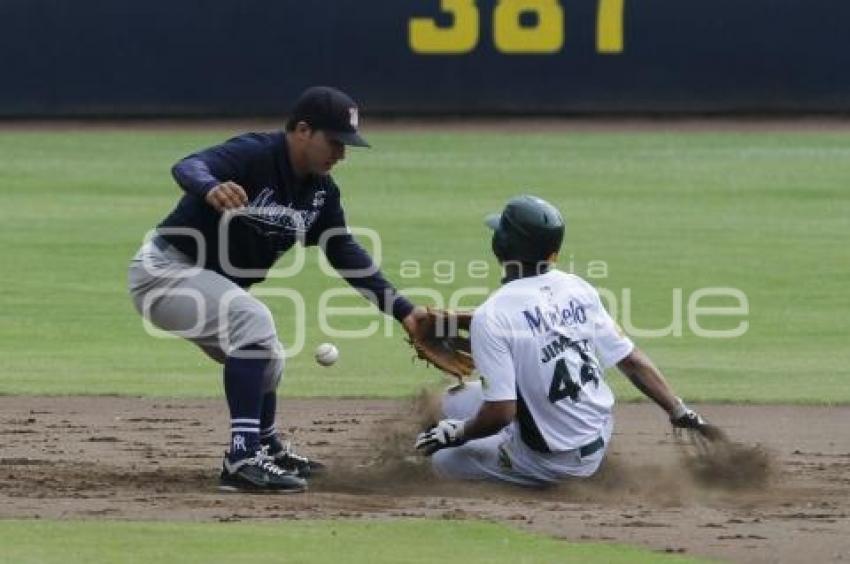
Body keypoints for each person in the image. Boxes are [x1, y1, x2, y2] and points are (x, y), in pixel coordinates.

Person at [128, 86, 422, 493]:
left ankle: (265, 446)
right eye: (334, 142)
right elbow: (189, 165)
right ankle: (241, 458)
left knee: (269, 358)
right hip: (165, 270)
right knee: (254, 321)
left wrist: (403, 310)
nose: (341, 154)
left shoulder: (321, 192)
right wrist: (210, 187)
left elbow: (343, 249)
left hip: (204, 280)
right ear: (303, 130)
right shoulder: (255, 153)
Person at [415, 195, 712, 486]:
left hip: (550, 461)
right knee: (453, 401)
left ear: (501, 246)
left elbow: (501, 413)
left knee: (445, 460)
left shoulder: (493, 317)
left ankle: (519, 468)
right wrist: (678, 411)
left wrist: (457, 433)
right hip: (598, 433)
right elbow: (632, 361)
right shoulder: (576, 287)